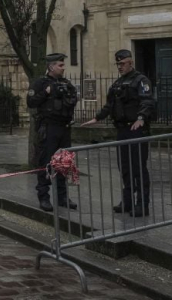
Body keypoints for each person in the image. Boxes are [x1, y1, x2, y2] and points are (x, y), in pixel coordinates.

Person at [81, 49, 156, 217]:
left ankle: (142, 204)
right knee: (125, 168)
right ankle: (127, 201)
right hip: (122, 129)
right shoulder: (117, 84)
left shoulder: (141, 81)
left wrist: (142, 117)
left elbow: (148, 101)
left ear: (131, 62)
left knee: (138, 168)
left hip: (137, 130)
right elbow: (110, 105)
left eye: (122, 63)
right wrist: (96, 118)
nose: (120, 67)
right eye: (118, 64)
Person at [27, 53, 79, 212]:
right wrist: (47, 92)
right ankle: (44, 196)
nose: (63, 68)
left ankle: (62, 197)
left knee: (64, 163)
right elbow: (31, 102)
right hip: (48, 128)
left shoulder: (65, 83)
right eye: (60, 65)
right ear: (51, 67)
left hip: (64, 128)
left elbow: (73, 100)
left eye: (63, 65)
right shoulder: (40, 83)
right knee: (45, 162)